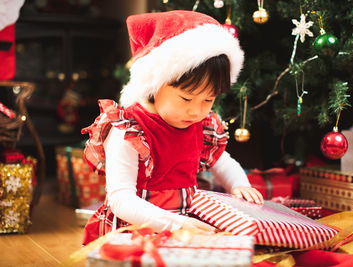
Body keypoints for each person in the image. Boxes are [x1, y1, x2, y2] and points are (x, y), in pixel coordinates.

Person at [81, 10, 263, 245]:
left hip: (185, 223)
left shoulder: (200, 125)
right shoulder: (129, 130)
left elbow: (223, 162)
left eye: (208, 100)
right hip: (136, 230)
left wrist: (239, 184)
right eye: (187, 99)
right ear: (155, 83)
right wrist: (174, 224)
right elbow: (121, 199)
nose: (197, 111)